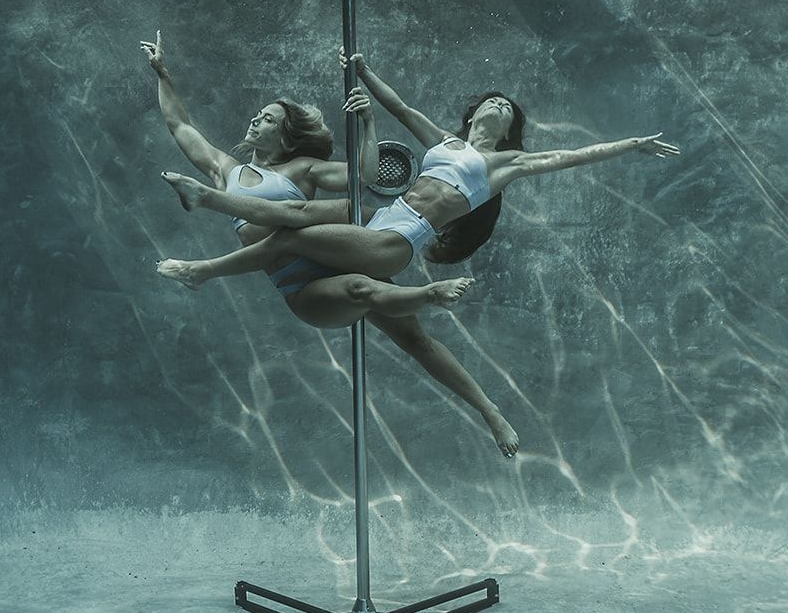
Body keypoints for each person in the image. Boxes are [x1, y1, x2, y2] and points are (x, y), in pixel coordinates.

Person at [141, 32, 522, 457]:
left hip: (345, 250)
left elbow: (364, 176)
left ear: (286, 137)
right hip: (307, 289)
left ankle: (490, 411)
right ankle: (427, 292)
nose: (255, 120)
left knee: (415, 337)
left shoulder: (305, 170)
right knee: (357, 284)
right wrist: (163, 74)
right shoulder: (223, 169)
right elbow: (180, 125)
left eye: (267, 119)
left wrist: (368, 123)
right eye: (258, 115)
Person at [156, 51, 680, 290]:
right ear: (473, 115)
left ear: (508, 129)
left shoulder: (504, 165)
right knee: (296, 235)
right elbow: (403, 109)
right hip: (381, 221)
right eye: (492, 100)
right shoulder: (446, 142)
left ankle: (203, 265)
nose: (498, 104)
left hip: (401, 238)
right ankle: (208, 260)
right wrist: (363, 70)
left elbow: (568, 157)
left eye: (507, 108)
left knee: (293, 236)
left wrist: (631, 144)